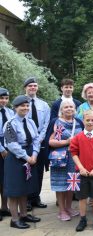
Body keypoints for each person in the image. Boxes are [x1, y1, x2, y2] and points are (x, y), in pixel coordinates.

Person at [3, 95, 41, 229]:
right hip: (16, 159)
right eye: (22, 106)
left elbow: (36, 139)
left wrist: (35, 154)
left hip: (30, 156)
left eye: (27, 106)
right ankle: (14, 219)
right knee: (14, 191)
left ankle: (24, 215)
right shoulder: (10, 124)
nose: (25, 108)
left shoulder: (30, 122)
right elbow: (12, 144)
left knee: (25, 189)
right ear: (15, 108)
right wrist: (27, 157)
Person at [69, 110, 93, 232]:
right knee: (82, 197)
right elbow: (74, 153)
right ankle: (83, 219)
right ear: (83, 121)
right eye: (88, 120)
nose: (90, 122)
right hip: (82, 172)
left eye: (92, 120)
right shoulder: (78, 137)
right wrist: (81, 167)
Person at [47, 100, 83, 221]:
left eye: (71, 107)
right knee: (60, 184)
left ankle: (69, 208)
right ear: (61, 109)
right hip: (60, 159)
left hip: (74, 158)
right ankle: (61, 210)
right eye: (66, 107)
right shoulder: (56, 122)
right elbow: (50, 141)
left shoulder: (78, 122)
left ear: (75, 109)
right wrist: (66, 142)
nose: (69, 109)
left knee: (71, 183)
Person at [24, 77, 50, 210]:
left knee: (39, 170)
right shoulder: (21, 103)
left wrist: (40, 138)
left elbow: (46, 124)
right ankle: (27, 199)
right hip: (26, 141)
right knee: (27, 170)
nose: (32, 88)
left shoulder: (43, 105)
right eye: (30, 86)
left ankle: (36, 197)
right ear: (25, 88)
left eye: (34, 86)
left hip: (41, 140)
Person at [0, 88, 13, 220]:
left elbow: (11, 131)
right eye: (1, 98)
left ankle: (4, 207)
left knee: (5, 179)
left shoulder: (10, 112)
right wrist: (1, 149)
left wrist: (9, 148)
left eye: (5, 98)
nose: (3, 101)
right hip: (1, 146)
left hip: (8, 145)